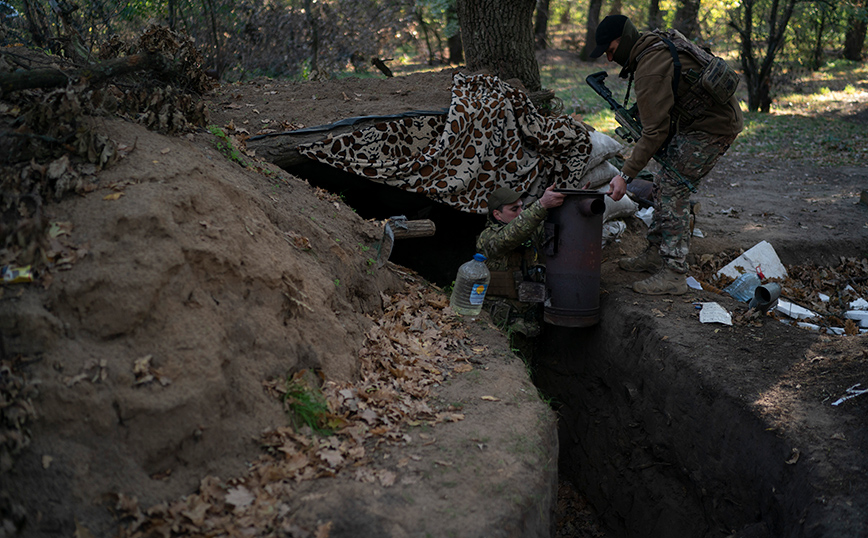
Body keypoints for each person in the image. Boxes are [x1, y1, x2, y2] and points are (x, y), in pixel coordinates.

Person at [590, 15, 744, 295]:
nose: (610, 59)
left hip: (713, 127)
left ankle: (673, 273)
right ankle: (655, 254)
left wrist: (625, 175)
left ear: (622, 41)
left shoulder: (649, 66)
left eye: (610, 50)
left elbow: (654, 133)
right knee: (663, 182)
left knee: (673, 187)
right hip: (700, 122)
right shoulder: (653, 43)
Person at [475, 184, 565, 338]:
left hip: (529, 316)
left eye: (521, 207)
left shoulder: (530, 232)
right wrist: (541, 205)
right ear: (497, 215)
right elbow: (510, 236)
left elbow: (554, 231)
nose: (520, 212)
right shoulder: (488, 237)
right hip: (500, 319)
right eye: (514, 209)